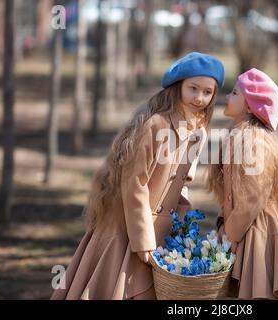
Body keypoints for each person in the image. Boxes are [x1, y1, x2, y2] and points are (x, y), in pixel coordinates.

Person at [51, 52, 225, 300]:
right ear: (178, 87)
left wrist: (181, 226)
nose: (199, 98)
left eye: (207, 92)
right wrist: (143, 242)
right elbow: (135, 184)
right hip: (127, 226)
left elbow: (183, 183)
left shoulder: (199, 133)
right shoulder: (156, 125)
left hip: (160, 231)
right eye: (193, 89)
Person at [208, 68, 278, 299]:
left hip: (258, 231)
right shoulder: (238, 135)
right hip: (242, 226)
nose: (227, 97)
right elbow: (231, 192)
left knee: (257, 291)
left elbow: (253, 199)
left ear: (250, 106)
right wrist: (223, 222)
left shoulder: (254, 142)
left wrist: (229, 235)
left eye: (234, 93)